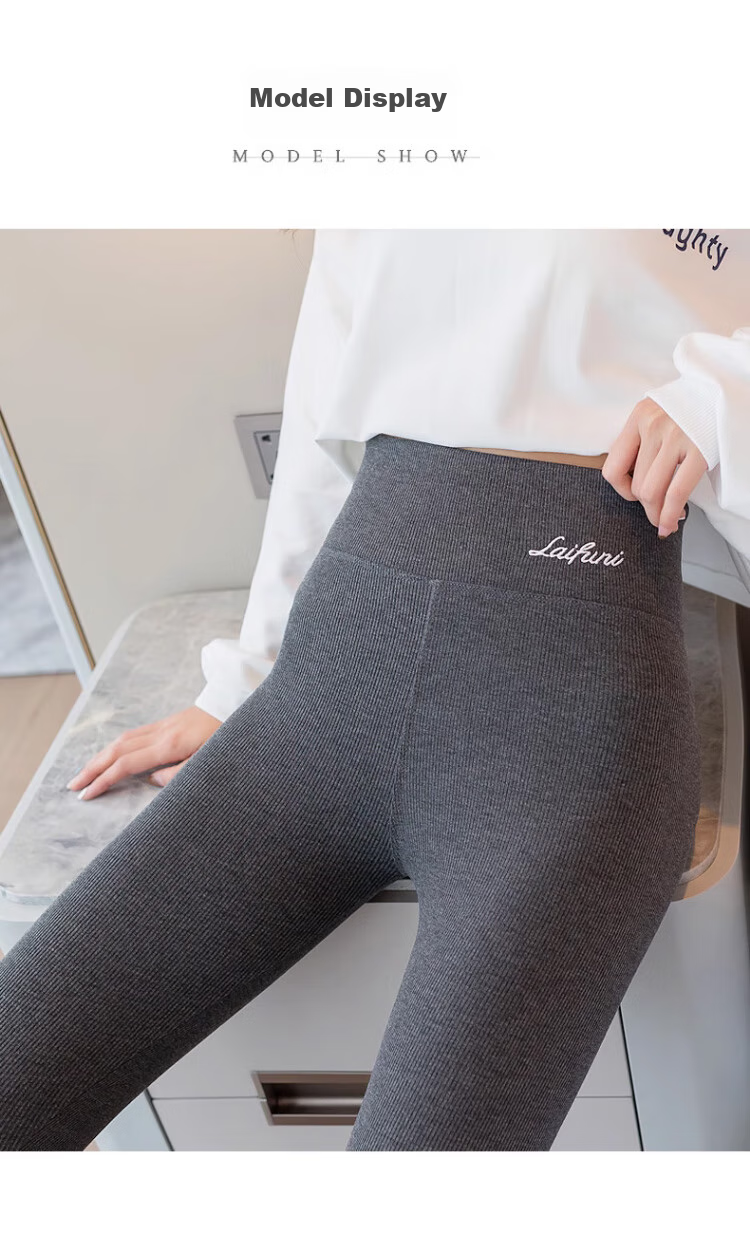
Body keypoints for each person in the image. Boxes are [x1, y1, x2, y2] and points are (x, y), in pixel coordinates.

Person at [1, 229, 749, 1152]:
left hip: (568, 722)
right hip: (334, 670)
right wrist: (242, 679)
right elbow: (318, 424)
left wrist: (722, 394)